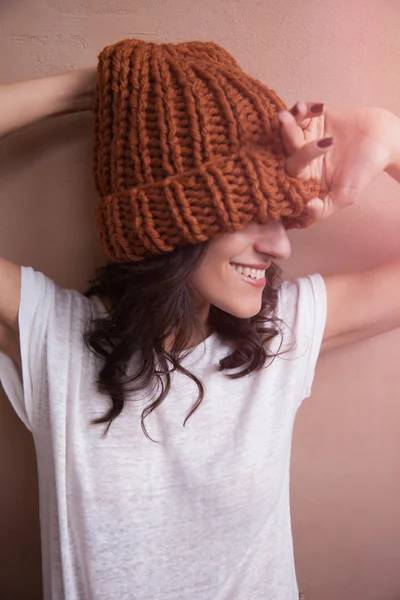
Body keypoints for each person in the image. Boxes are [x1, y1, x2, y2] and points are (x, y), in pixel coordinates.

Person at [0, 38, 399, 600]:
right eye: (249, 212)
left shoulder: (283, 334)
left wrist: (389, 135)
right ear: (171, 227)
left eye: (282, 212)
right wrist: (102, 89)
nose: (282, 245)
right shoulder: (54, 338)